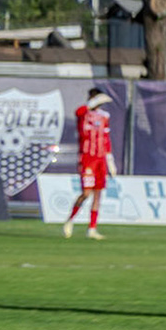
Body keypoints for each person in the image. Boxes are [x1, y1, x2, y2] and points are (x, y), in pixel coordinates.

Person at [64, 86, 115, 240]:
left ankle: (92, 228)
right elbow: (78, 112)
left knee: (97, 194)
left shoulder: (104, 116)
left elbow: (106, 138)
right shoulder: (84, 114)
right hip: (87, 158)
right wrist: (91, 103)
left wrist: (110, 159)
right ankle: (70, 220)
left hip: (100, 159)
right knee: (86, 193)